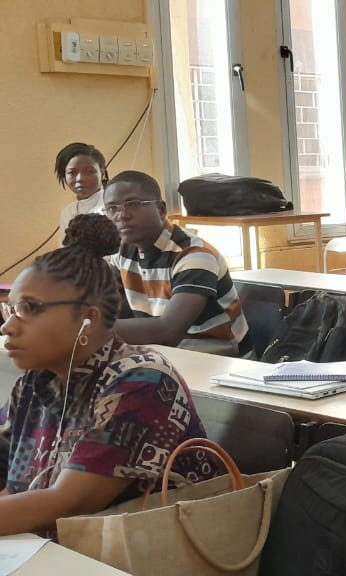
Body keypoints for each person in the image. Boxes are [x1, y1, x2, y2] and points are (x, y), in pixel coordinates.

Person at [0, 214, 219, 536]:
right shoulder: (35, 383)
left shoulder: (142, 382)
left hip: (148, 551)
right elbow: (10, 479)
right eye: (9, 309)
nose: (7, 326)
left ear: (86, 318)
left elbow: (68, 504)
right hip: (56, 551)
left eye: (28, 309)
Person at [103, 171, 249, 357]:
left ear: (161, 209)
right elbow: (101, 301)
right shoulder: (123, 252)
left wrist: (87, 331)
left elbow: (168, 331)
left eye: (133, 204)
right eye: (112, 208)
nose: (122, 215)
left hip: (219, 361)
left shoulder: (194, 255)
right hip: (163, 355)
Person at [54, 143, 108, 238]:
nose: (80, 179)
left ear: (102, 173)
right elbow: (65, 246)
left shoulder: (113, 206)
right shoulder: (67, 212)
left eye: (89, 171)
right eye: (72, 173)